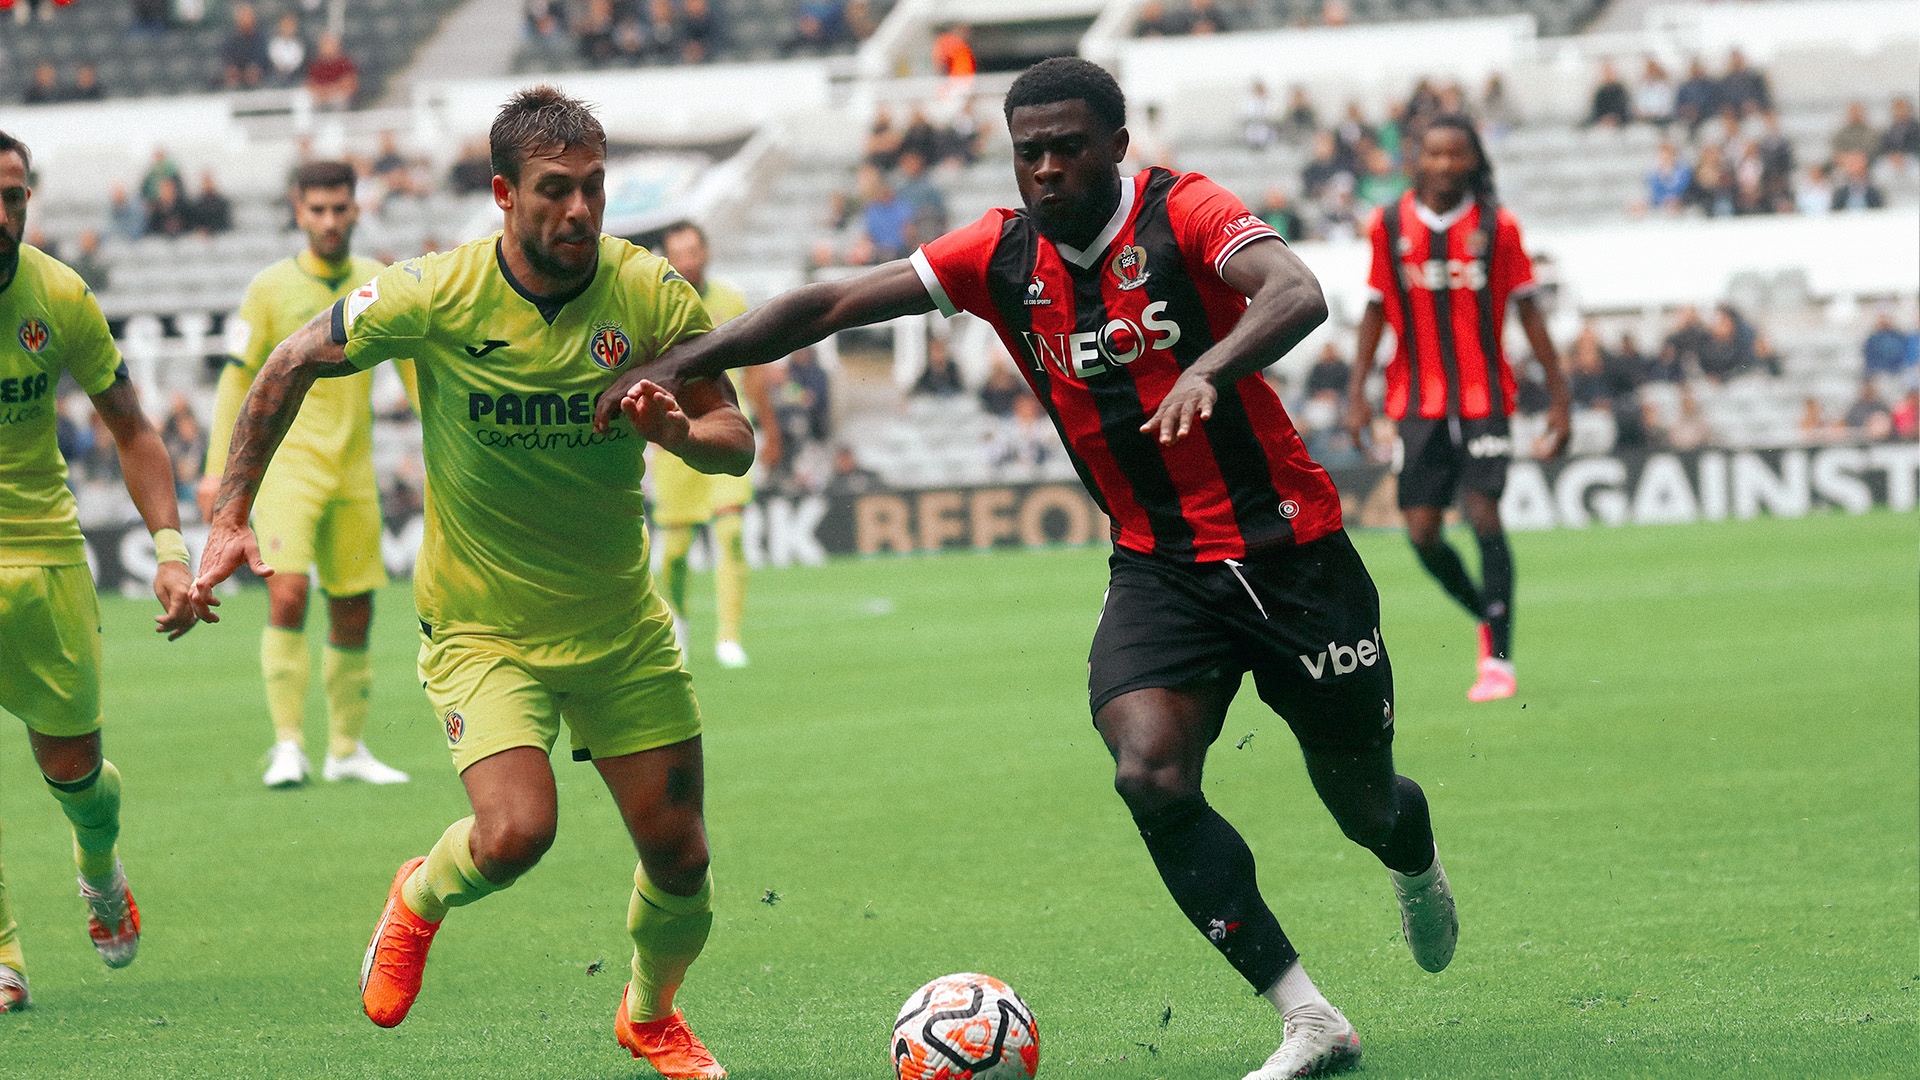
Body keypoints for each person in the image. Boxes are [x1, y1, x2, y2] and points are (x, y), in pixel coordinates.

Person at [598, 57, 1457, 1080]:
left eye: (1067, 148)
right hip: (1160, 566)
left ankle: (1414, 861)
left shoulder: (1182, 210)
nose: (1046, 170)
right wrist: (678, 363)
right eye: (1028, 152)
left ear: (1116, 148)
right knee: (1149, 770)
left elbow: (1296, 291)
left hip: (1293, 555)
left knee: (1366, 808)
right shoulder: (998, 256)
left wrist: (1206, 369)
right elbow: (828, 303)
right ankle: (1310, 1018)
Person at [190, 88, 744, 1078]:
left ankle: (649, 1015)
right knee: (518, 832)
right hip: (483, 629)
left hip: (620, 627)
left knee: (685, 859)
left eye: (594, 189)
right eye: (555, 191)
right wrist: (231, 515)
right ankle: (418, 899)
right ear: (503, 193)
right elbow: (287, 362)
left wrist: (677, 435)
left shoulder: (652, 292)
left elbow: (733, 440)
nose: (580, 211)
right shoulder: (432, 293)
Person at [0, 129, 199, 1013]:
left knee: (77, 774)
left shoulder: (60, 295)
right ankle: (5, 959)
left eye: (14, 195)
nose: (2, 213)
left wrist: (168, 550)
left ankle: (99, 868)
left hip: (42, 557)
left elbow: (134, 430)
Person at [197, 160, 413, 789]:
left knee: (354, 608)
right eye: (317, 209)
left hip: (354, 468)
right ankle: (288, 744)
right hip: (287, 465)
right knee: (287, 594)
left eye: (339, 208)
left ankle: (346, 749)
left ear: (356, 209)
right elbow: (235, 379)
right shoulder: (268, 289)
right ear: (298, 211)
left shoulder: (378, 281)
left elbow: (415, 369)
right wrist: (218, 470)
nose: (329, 220)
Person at [1345, 114, 1570, 703]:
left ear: (1472, 161)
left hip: (1485, 399)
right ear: (1415, 159)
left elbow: (1529, 313)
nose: (1444, 164)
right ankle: (1485, 614)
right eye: (1434, 154)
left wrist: (1560, 401)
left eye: (1456, 155)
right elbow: (1373, 311)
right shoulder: (1387, 225)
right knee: (1421, 534)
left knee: (1485, 517)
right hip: (1414, 400)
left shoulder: (1499, 227)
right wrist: (1356, 397)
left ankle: (1498, 658)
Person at [649, 221, 774, 670]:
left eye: (695, 250)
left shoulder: (730, 300)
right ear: (668, 258)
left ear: (706, 252)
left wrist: (770, 428)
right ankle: (679, 618)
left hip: (725, 430)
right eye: (680, 253)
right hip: (678, 439)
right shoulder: (654, 305)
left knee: (732, 533)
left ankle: (728, 637)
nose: (690, 260)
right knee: (675, 555)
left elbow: (754, 370)